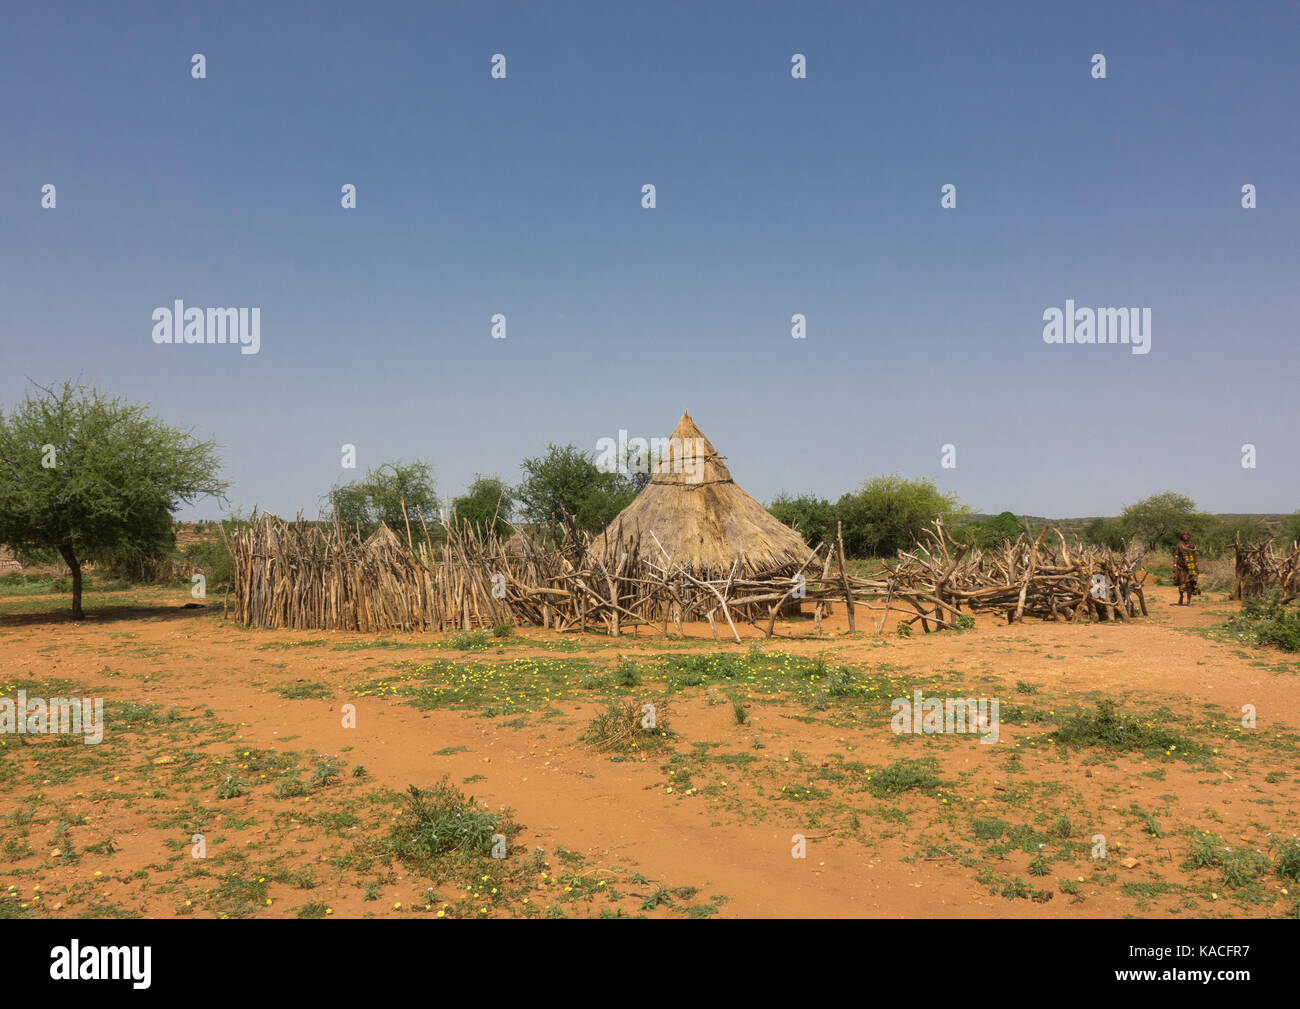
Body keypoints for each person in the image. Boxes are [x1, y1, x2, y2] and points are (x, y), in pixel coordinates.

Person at [1173, 530, 1199, 605]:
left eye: (1187, 535)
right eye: (1184, 535)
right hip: (1181, 567)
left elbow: (1194, 556)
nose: (1185, 536)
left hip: (1190, 568)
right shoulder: (1179, 545)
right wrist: (1175, 565)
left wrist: (1195, 566)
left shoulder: (1192, 545)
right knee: (1181, 583)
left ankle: (1188, 601)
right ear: (1181, 536)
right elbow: (1176, 555)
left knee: (1190, 584)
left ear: (1189, 536)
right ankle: (1181, 596)